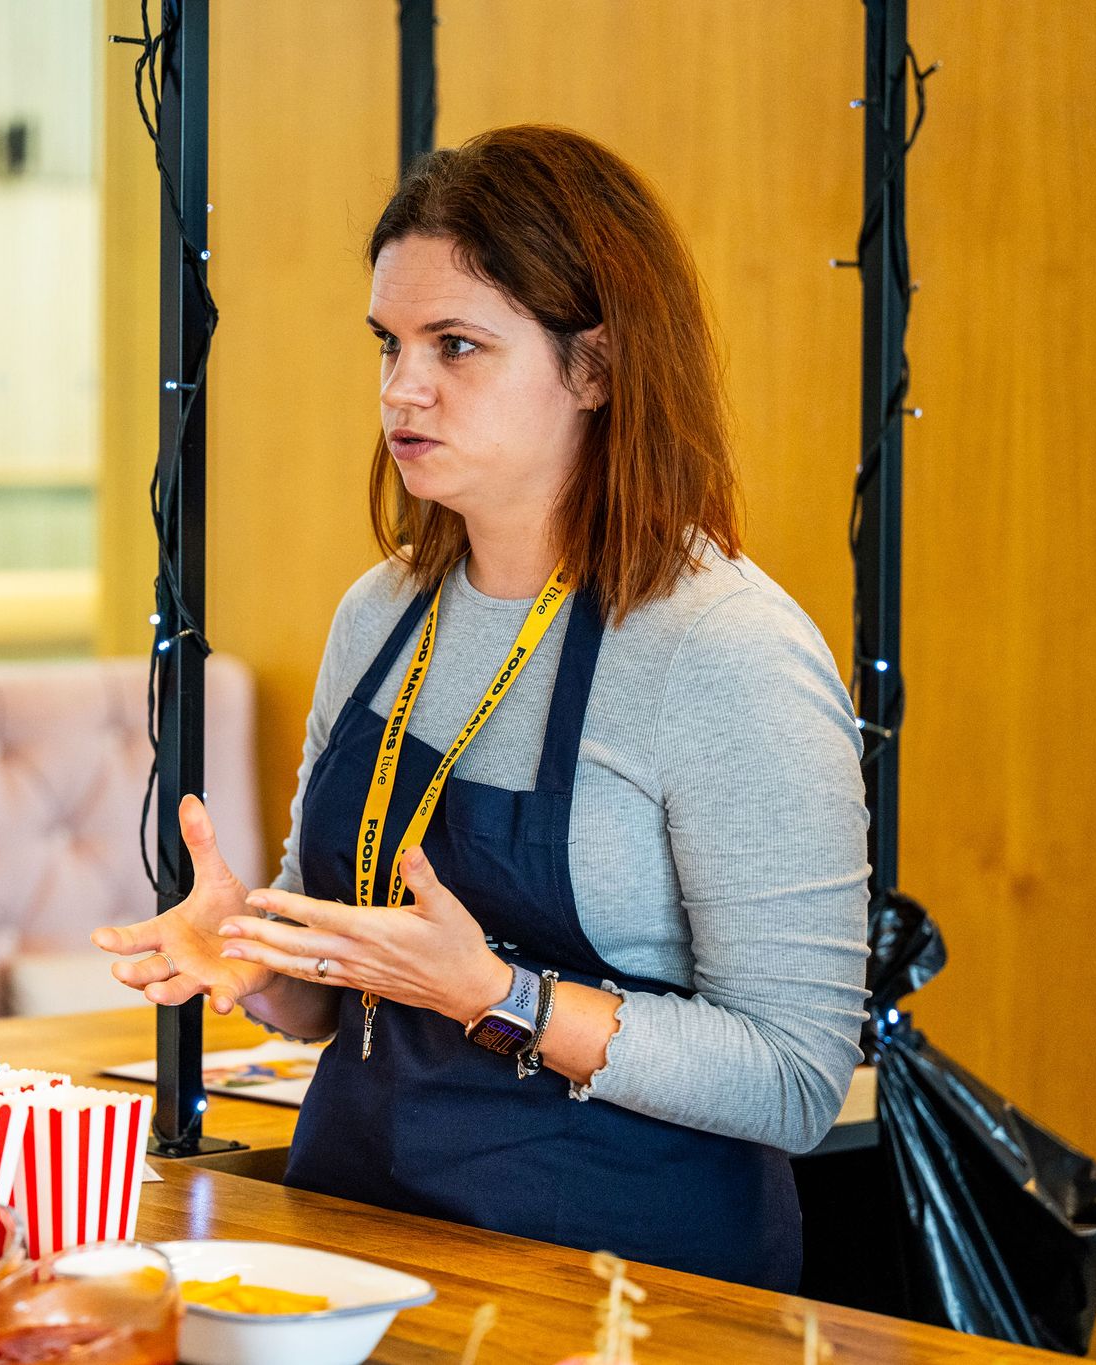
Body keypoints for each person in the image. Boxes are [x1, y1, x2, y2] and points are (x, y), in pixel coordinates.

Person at [91, 125, 870, 1292]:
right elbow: (333, 1005)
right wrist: (254, 958)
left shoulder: (726, 649)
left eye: (456, 346)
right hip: (354, 1256)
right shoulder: (381, 612)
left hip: (625, 1293)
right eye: (390, 345)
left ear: (595, 368)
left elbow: (796, 1080)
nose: (403, 389)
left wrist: (499, 999)